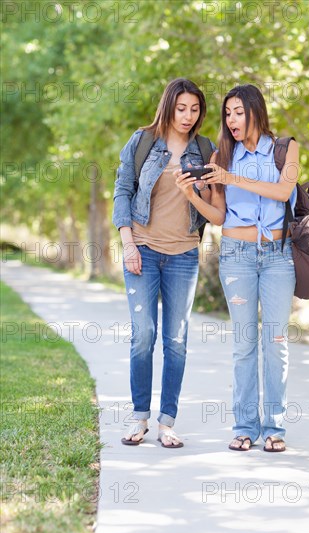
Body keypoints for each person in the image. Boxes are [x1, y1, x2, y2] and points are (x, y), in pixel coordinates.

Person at [112, 78, 225, 448]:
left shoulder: (205, 149)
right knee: (143, 334)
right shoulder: (142, 141)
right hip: (142, 248)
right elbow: (123, 191)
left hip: (184, 254)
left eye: (195, 110)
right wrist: (128, 244)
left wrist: (195, 187)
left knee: (175, 340)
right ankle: (139, 417)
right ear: (169, 106)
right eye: (182, 108)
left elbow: (212, 205)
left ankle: (167, 422)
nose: (188, 116)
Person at [200, 84, 299, 452]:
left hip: (277, 255)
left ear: (256, 110)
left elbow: (282, 192)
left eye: (238, 112)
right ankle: (244, 427)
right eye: (227, 114)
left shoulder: (285, 148)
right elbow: (219, 215)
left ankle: (275, 428)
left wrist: (231, 178)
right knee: (244, 344)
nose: (232, 120)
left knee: (275, 343)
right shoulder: (222, 155)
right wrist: (192, 193)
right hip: (237, 255)